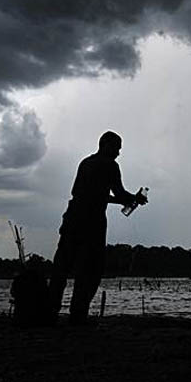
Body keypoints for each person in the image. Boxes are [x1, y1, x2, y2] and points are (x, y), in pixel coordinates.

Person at [49, 131, 147, 325]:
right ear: (106, 145)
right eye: (117, 148)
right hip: (92, 223)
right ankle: (77, 315)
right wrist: (134, 199)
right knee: (90, 270)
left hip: (72, 218)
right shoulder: (110, 166)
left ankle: (50, 311)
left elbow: (80, 192)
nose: (119, 153)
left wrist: (117, 199)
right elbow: (117, 193)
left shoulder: (85, 163)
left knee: (62, 267)